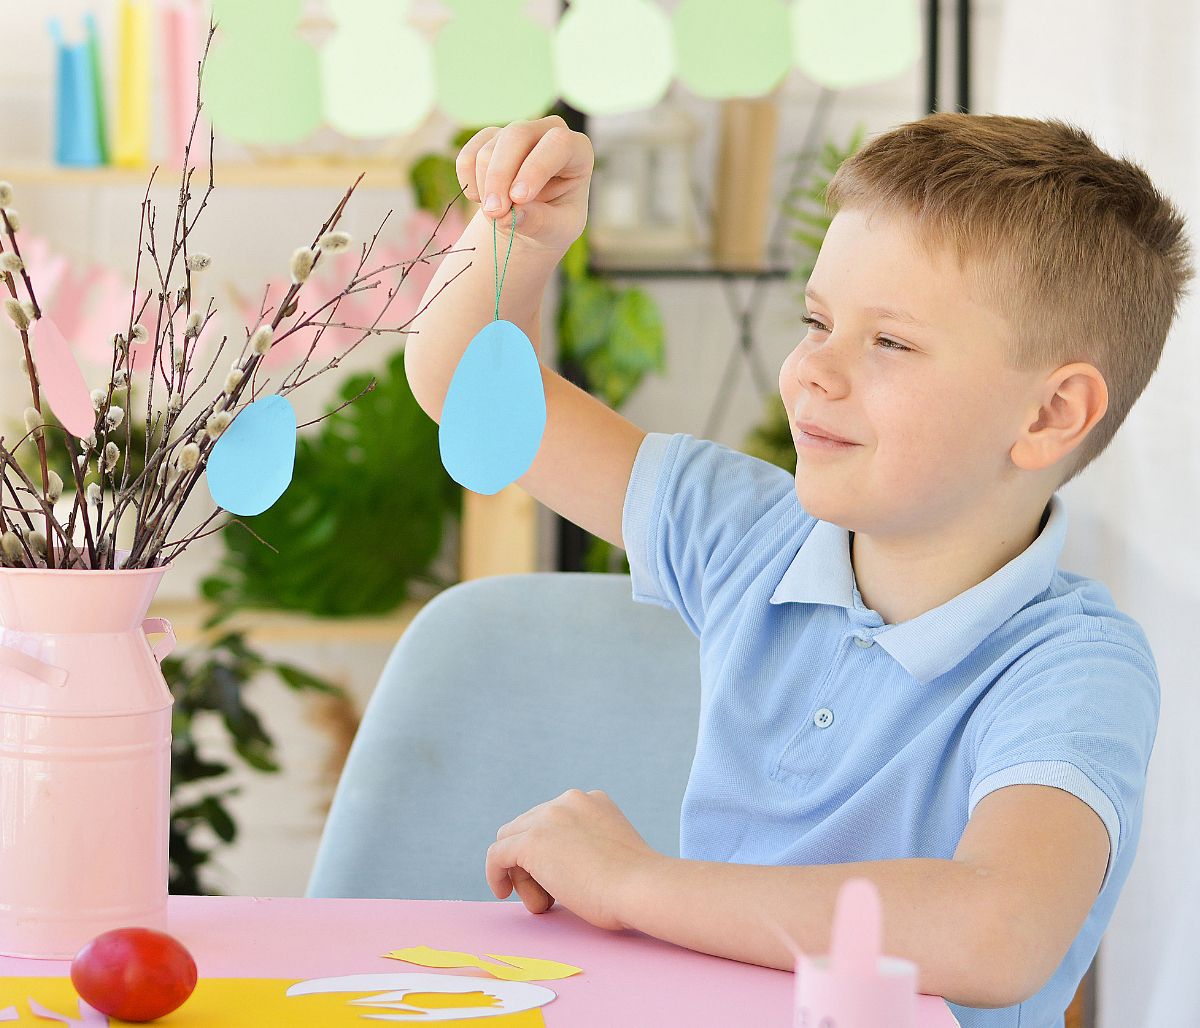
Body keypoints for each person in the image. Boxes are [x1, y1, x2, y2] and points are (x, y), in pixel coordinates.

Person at [404, 111, 1192, 1026]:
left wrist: (635, 885)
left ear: (1052, 415)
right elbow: (473, 394)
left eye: (889, 342)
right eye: (816, 320)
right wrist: (520, 233)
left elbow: (999, 930)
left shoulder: (1074, 667)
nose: (812, 370)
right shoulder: (746, 533)